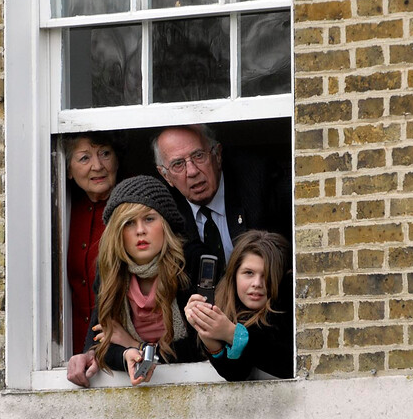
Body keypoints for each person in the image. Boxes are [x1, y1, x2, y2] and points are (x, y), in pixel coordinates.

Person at [66, 175, 204, 387]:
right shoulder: (111, 272)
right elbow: (102, 344)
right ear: (118, 233)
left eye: (149, 219)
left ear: (166, 223)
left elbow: (202, 346)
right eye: (129, 222)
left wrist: (136, 346)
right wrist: (124, 355)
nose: (140, 230)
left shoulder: (190, 263)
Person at [152, 124, 291, 277]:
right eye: (178, 164)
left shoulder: (259, 182)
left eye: (198, 156)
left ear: (217, 155)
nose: (192, 171)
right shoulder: (162, 207)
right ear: (166, 175)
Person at [185, 230, 293, 381]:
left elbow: (289, 363)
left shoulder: (288, 311)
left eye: (267, 274)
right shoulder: (225, 308)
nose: (257, 283)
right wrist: (208, 335)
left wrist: (231, 333)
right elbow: (237, 373)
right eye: (249, 273)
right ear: (234, 275)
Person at [62, 132, 122, 353]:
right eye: (84, 158)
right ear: (68, 169)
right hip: (73, 352)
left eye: (105, 153)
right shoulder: (59, 212)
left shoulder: (133, 211)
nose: (97, 166)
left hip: (120, 349)